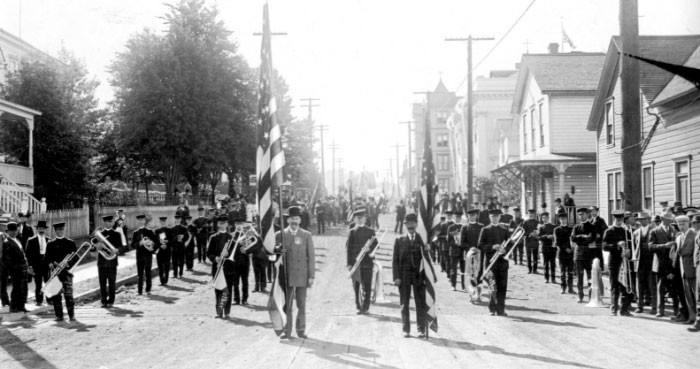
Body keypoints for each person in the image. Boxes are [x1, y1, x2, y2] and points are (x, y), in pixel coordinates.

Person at [275, 206, 315, 339]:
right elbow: (271, 256)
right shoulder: (280, 235)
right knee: (287, 305)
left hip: (302, 275)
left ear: (300, 220)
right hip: (286, 276)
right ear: (287, 220)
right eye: (292, 218)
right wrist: (278, 251)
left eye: (297, 219)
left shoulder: (306, 235)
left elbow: (311, 257)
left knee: (301, 305)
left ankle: (301, 330)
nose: (294, 221)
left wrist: (311, 276)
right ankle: (287, 331)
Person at [392, 213, 430, 338]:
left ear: (416, 224)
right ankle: (406, 329)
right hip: (404, 276)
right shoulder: (399, 240)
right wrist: (396, 277)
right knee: (405, 303)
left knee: (420, 303)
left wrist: (428, 249)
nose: (410, 226)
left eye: (413, 223)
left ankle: (421, 329)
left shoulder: (422, 239)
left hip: (419, 276)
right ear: (405, 226)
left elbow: (428, 260)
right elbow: (395, 260)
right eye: (408, 224)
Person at [649, 213, 682, 318]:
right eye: (667, 220)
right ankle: (660, 310)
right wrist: (664, 246)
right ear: (662, 219)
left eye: (671, 220)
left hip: (672, 264)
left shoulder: (674, 230)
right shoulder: (654, 231)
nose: (669, 222)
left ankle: (677, 311)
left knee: (675, 289)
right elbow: (650, 247)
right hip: (660, 263)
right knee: (661, 288)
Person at [346, 208, 378, 314]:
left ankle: (366, 307)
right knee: (356, 285)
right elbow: (349, 249)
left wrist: (370, 249)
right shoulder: (352, 232)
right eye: (357, 218)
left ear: (365, 219)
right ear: (354, 219)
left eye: (362, 218)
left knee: (367, 285)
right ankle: (358, 306)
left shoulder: (371, 231)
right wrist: (349, 264)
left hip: (367, 262)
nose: (360, 220)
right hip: (356, 263)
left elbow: (376, 245)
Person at [478, 210, 511, 316]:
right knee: (492, 286)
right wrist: (492, 247)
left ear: (500, 218)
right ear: (489, 217)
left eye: (497, 217)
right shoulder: (485, 230)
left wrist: (505, 250)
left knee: (502, 287)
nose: (495, 218)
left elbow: (510, 244)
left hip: (502, 262)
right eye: (492, 217)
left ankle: (501, 310)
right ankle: (492, 309)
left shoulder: (504, 230)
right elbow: (480, 245)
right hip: (490, 263)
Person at [602, 210, 634, 316]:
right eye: (617, 220)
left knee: (625, 285)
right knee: (614, 285)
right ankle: (614, 308)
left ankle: (624, 309)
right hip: (614, 262)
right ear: (614, 219)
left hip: (624, 262)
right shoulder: (609, 231)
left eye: (621, 220)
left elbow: (631, 246)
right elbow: (604, 247)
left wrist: (629, 252)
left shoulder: (626, 231)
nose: (619, 222)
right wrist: (617, 245)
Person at [44, 222, 77, 321]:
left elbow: (75, 257)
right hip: (55, 273)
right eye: (59, 230)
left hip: (67, 272)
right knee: (56, 296)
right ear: (55, 231)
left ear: (64, 230)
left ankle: (71, 315)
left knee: (69, 295)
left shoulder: (70, 243)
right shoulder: (50, 244)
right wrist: (50, 263)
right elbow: (47, 258)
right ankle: (59, 315)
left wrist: (67, 263)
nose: (61, 231)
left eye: (62, 229)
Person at [92, 216, 123, 308]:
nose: (110, 223)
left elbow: (121, 247)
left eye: (111, 222)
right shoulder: (99, 234)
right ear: (104, 223)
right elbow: (93, 250)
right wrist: (97, 247)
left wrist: (116, 250)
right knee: (102, 283)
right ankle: (103, 301)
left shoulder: (117, 234)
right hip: (102, 262)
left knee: (112, 282)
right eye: (107, 222)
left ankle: (111, 301)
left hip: (112, 261)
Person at [207, 215, 234, 318]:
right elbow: (208, 253)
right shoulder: (213, 237)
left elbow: (234, 253)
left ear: (227, 224)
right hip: (217, 267)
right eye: (220, 223)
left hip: (228, 267)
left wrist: (229, 253)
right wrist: (215, 258)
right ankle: (219, 312)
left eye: (224, 223)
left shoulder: (231, 237)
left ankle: (227, 312)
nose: (223, 225)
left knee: (227, 290)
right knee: (218, 289)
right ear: (218, 224)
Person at [571, 207, 596, 303]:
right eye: (580, 215)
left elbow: (592, 238)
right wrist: (583, 236)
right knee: (579, 277)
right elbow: (573, 238)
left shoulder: (592, 226)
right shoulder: (576, 227)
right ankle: (580, 295)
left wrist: (580, 238)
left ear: (587, 215)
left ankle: (591, 296)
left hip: (589, 255)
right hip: (578, 255)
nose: (582, 216)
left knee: (590, 277)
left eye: (583, 214)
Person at [675, 215, 697, 324]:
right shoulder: (678, 237)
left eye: (683, 224)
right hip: (683, 270)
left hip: (694, 269)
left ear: (689, 223)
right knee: (688, 296)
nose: (681, 226)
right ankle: (692, 318)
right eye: (679, 224)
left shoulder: (694, 235)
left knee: (696, 295)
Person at [2, 222, 28, 313]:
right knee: (17, 289)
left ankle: (21, 306)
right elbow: (7, 259)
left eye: (15, 231)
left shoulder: (18, 240)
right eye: (11, 231)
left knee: (23, 288)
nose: (13, 232)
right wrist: (13, 269)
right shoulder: (7, 242)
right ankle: (13, 307)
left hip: (23, 268)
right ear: (7, 232)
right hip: (16, 269)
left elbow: (22, 253)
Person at [633, 212, 656, 314]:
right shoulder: (636, 232)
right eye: (640, 220)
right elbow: (634, 247)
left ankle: (654, 307)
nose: (642, 221)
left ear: (649, 219)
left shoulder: (654, 231)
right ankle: (639, 306)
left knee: (652, 285)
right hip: (640, 262)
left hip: (651, 261)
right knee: (640, 286)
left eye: (644, 219)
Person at [25, 220, 50, 306]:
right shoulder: (31, 240)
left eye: (43, 228)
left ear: (45, 229)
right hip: (37, 264)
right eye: (39, 228)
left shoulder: (49, 240)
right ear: (37, 229)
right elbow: (28, 254)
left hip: (46, 264)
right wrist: (30, 265)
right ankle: (39, 301)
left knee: (48, 282)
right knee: (38, 283)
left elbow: (52, 254)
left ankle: (49, 300)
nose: (41, 230)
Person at [131, 214, 158, 295]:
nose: (141, 222)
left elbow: (157, 242)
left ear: (144, 221)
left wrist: (152, 248)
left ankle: (148, 290)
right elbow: (132, 245)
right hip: (139, 255)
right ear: (137, 221)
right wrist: (140, 243)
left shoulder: (149, 231)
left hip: (148, 255)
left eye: (142, 220)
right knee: (140, 274)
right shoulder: (135, 233)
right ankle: (139, 291)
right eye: (139, 220)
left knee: (148, 273)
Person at [459, 209, 483, 292]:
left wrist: (480, 249)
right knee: (470, 272)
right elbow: (461, 242)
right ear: (468, 216)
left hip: (480, 253)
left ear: (476, 216)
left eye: (473, 215)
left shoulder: (481, 227)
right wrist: (470, 248)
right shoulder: (464, 227)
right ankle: (471, 290)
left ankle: (478, 290)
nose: (471, 217)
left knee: (479, 271)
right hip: (469, 253)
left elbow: (484, 240)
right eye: (470, 215)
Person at [231, 221, 253, 305]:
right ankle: (236, 299)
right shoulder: (231, 235)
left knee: (245, 281)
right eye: (237, 224)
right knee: (235, 281)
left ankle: (245, 299)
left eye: (240, 224)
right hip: (235, 261)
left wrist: (247, 249)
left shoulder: (247, 234)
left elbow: (251, 247)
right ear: (234, 225)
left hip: (245, 261)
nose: (239, 226)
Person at [554, 213, 575, 294]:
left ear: (567, 219)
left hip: (570, 253)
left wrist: (572, 248)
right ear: (559, 220)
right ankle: (563, 288)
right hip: (562, 252)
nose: (563, 220)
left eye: (565, 219)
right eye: (562, 219)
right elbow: (557, 241)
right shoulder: (557, 229)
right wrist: (565, 248)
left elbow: (573, 240)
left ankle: (570, 288)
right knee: (562, 272)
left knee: (570, 272)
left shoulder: (571, 229)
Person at [447, 209, 464, 291]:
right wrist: (456, 243)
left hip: (462, 251)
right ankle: (453, 285)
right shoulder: (451, 227)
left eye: (459, 217)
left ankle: (464, 286)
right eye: (456, 217)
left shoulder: (463, 227)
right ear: (454, 217)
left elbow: (465, 239)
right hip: (453, 250)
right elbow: (449, 240)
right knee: (453, 268)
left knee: (463, 268)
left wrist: (462, 244)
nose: (458, 218)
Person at [538, 213, 556, 283]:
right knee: (546, 264)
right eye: (543, 218)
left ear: (548, 218)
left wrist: (553, 237)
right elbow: (539, 237)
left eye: (546, 218)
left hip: (552, 247)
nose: (544, 219)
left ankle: (553, 278)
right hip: (545, 247)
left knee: (553, 263)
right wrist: (546, 236)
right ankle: (546, 278)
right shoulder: (541, 227)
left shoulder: (553, 226)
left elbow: (556, 235)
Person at [589, 206, 608, 272]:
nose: (593, 213)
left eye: (594, 211)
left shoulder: (601, 220)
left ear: (597, 212)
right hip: (591, 241)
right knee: (591, 254)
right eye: (592, 212)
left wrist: (600, 235)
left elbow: (606, 230)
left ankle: (601, 268)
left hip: (598, 241)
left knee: (598, 254)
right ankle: (593, 268)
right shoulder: (590, 221)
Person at [155, 217, 172, 286]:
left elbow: (172, 240)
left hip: (167, 250)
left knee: (167, 266)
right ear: (159, 222)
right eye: (161, 221)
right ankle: (162, 281)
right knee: (160, 266)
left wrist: (167, 243)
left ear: (166, 222)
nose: (163, 222)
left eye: (164, 221)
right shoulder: (157, 231)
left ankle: (166, 280)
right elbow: (155, 241)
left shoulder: (169, 230)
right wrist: (160, 245)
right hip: (160, 251)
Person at [523, 209, 540, 274]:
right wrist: (529, 233)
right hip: (528, 241)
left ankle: (535, 269)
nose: (531, 215)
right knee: (528, 256)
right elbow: (523, 232)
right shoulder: (525, 222)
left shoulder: (537, 222)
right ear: (528, 214)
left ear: (534, 214)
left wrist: (536, 233)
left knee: (535, 255)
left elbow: (539, 230)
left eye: (532, 213)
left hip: (535, 241)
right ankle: (529, 269)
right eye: (530, 213)